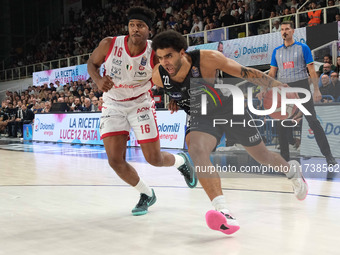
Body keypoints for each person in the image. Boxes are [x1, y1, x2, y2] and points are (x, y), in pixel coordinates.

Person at [151, 30, 308, 235]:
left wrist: (279, 86)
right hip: (201, 114)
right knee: (196, 150)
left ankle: (291, 171)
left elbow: (246, 72)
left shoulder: (207, 59)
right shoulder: (158, 75)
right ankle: (224, 212)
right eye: (160, 58)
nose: (165, 62)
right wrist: (174, 98)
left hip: (228, 106)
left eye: (169, 56)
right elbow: (177, 89)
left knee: (263, 156)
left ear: (182, 53)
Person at [87, 7, 197, 216]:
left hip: (140, 104)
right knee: (114, 160)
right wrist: (99, 79)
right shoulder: (109, 44)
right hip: (113, 104)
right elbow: (92, 63)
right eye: (132, 25)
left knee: (154, 159)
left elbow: (171, 76)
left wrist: (175, 97)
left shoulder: (155, 53)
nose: (135, 29)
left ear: (149, 30)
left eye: (140, 26)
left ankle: (182, 161)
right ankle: (146, 194)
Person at [268, 21, 337, 166]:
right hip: (284, 89)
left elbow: (311, 70)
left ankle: (328, 156)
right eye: (282, 30)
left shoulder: (303, 48)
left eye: (287, 29)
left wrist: (316, 90)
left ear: (293, 31)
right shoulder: (276, 51)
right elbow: (272, 73)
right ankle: (285, 160)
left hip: (301, 87)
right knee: (282, 125)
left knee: (313, 122)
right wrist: (265, 89)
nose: (284, 32)